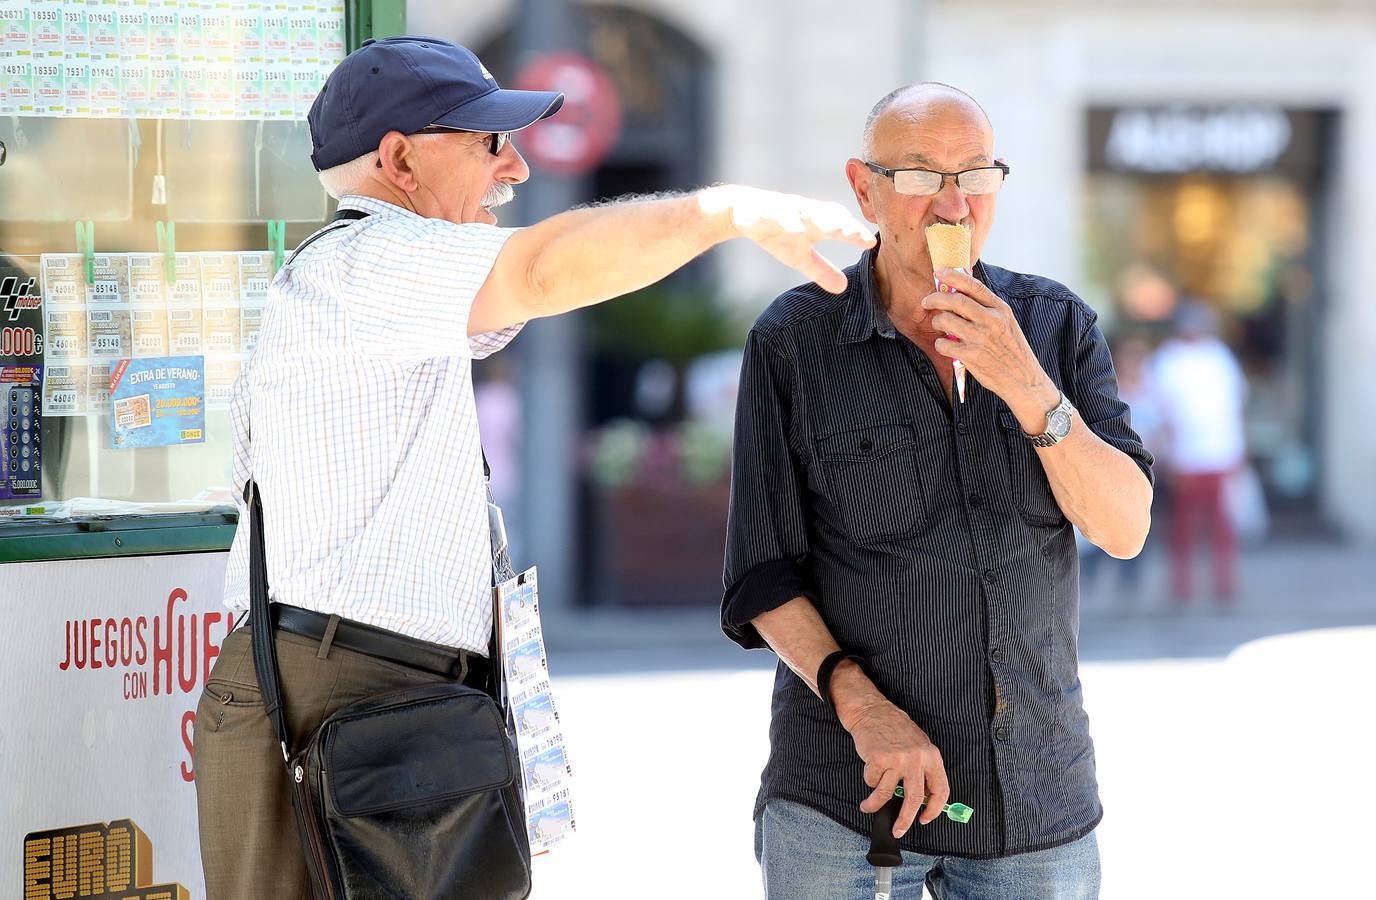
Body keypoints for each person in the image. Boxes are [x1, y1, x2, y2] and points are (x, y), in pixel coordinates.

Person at [194, 35, 874, 899]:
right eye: (486, 142)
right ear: (399, 159)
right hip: (339, 697)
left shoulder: (386, 274)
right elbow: (547, 268)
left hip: (371, 692)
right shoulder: (372, 264)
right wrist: (723, 212)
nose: (513, 166)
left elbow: (543, 273)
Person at [722, 83, 1153, 899]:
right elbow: (762, 574)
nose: (953, 204)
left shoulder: (1057, 326)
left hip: (1034, 795)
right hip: (847, 795)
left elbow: (1125, 527)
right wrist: (862, 705)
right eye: (920, 175)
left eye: (975, 175)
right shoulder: (794, 340)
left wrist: (1027, 385)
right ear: (865, 188)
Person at [1150, 301, 1248, 604]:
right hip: (1188, 455)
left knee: (1219, 525)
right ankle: (1184, 586)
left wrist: (1238, 450)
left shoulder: (1218, 358)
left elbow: (1233, 406)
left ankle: (1222, 584)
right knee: (1185, 526)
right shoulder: (1171, 359)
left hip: (1217, 452)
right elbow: (1162, 410)